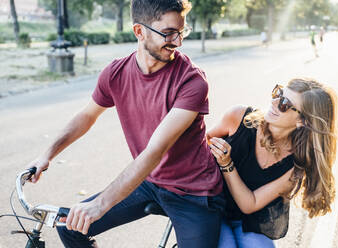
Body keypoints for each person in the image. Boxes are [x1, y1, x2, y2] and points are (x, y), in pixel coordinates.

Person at [27, 0, 224, 247]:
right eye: (168, 33)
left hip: (194, 192)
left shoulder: (192, 82)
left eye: (181, 32)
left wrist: (100, 205)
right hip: (151, 182)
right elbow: (87, 115)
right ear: (139, 31)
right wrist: (47, 154)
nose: (177, 42)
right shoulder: (116, 73)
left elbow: (155, 150)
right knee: (70, 227)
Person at [207, 78, 338, 247]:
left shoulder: (296, 166)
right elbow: (201, 144)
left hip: (248, 221)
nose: (274, 101)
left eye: (284, 103)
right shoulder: (238, 117)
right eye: (279, 93)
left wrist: (226, 164)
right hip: (211, 207)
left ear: (302, 121)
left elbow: (250, 204)